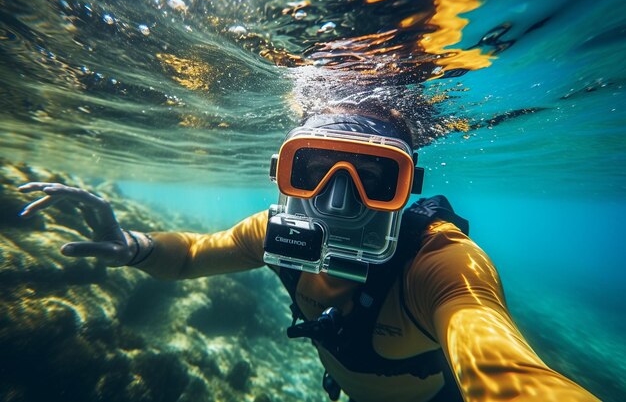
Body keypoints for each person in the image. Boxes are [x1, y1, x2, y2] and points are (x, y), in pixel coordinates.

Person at [18, 102, 599, 402]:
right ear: (283, 173)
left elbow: (514, 374)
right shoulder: (277, 236)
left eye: (375, 176)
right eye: (314, 170)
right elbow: (194, 253)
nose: (339, 199)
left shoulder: (441, 264)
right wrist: (134, 246)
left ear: (408, 184)